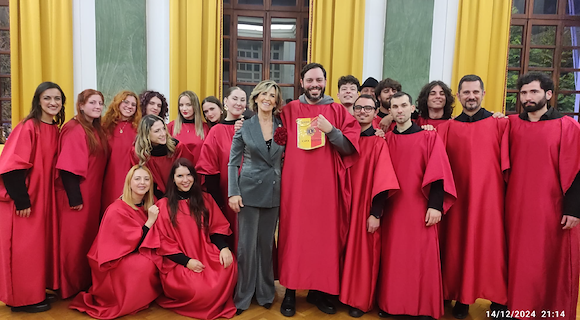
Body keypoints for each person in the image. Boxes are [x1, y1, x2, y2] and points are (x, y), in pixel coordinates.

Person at [278, 62, 360, 317]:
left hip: (326, 188)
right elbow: (271, 132)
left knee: (324, 240)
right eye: (310, 80)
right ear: (301, 82)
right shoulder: (289, 110)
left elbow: (349, 148)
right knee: (294, 237)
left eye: (319, 80)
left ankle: (320, 291)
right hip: (295, 186)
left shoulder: (337, 111)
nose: (315, 85)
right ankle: (290, 291)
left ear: (325, 82)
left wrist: (331, 131)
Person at [505, 72, 580, 320]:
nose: (528, 97)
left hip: (553, 208)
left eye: (534, 92)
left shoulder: (567, 126)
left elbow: (578, 170)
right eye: (524, 93)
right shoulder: (511, 124)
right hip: (516, 208)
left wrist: (574, 209)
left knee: (550, 263)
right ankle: (519, 310)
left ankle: (550, 312)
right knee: (520, 263)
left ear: (548, 94)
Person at [378, 92, 456, 320]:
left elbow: (439, 173)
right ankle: (391, 304)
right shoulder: (385, 140)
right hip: (394, 210)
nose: (399, 110)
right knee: (394, 258)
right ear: (390, 111)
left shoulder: (429, 137)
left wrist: (435, 206)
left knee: (422, 258)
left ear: (412, 108)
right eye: (395, 107)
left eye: (403, 105)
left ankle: (423, 307)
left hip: (421, 208)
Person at [436, 75, 508, 319]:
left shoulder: (500, 124)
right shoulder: (447, 128)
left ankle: (498, 297)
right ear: (458, 96)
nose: (471, 96)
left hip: (490, 199)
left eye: (475, 92)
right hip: (460, 199)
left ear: (483, 93)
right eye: (466, 92)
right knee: (457, 246)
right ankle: (461, 297)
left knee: (492, 248)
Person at [141, 158, 237, 319]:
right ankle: (205, 301)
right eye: (180, 176)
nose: (185, 180)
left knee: (229, 265)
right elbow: (163, 243)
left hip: (205, 252)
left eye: (188, 175)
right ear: (173, 178)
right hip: (178, 262)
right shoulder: (163, 206)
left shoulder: (205, 199)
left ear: (194, 176)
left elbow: (217, 227)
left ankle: (211, 299)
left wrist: (224, 248)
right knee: (198, 290)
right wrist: (187, 262)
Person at [0, 82, 65, 313]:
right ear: (38, 101)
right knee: (23, 248)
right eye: (47, 98)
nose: (53, 103)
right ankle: (22, 299)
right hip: (26, 200)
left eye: (57, 99)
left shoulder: (54, 130)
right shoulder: (28, 127)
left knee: (36, 248)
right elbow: (10, 167)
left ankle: (35, 291)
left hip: (44, 199)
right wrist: (21, 199)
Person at [69, 165, 162, 319]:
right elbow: (131, 243)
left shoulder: (150, 205)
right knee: (147, 263)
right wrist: (150, 222)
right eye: (137, 178)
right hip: (114, 262)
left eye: (146, 179)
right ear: (129, 183)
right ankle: (132, 299)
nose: (142, 182)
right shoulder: (117, 209)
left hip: (134, 251)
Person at [339, 94, 400, 318]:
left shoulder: (378, 142)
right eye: (358, 108)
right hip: (343, 206)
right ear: (353, 111)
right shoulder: (345, 140)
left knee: (363, 254)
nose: (362, 111)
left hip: (365, 206)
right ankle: (340, 294)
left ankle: (360, 300)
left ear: (376, 113)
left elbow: (383, 182)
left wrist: (375, 213)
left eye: (368, 108)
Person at [228, 80, 285, 315]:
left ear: (276, 101)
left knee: (265, 245)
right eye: (265, 93)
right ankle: (244, 295)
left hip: (274, 191)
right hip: (248, 192)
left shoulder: (283, 126)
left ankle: (265, 292)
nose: (268, 98)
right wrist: (233, 192)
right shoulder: (244, 126)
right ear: (257, 97)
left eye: (273, 95)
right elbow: (233, 162)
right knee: (246, 247)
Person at [55, 89, 109, 299]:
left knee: (86, 240)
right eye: (92, 102)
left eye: (100, 103)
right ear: (81, 105)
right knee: (73, 242)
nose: (97, 106)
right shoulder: (75, 129)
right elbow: (68, 167)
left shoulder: (96, 129)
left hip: (92, 195)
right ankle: (69, 286)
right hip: (77, 196)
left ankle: (82, 281)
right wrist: (75, 198)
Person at [197, 86, 247, 252]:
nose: (238, 103)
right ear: (225, 102)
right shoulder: (216, 131)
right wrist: (218, 204)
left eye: (242, 99)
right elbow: (209, 168)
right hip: (227, 197)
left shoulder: (253, 127)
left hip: (253, 193)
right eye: (235, 99)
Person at [101, 90, 142, 211]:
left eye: (133, 105)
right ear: (117, 103)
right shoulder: (105, 126)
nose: (129, 106)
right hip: (108, 178)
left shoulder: (138, 128)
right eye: (126, 102)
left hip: (130, 177)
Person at [131, 114, 185, 199]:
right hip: (150, 196)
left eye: (163, 128)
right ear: (147, 134)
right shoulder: (138, 152)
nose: (163, 134)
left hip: (177, 193)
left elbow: (186, 173)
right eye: (157, 131)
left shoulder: (177, 147)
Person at [167, 90, 209, 163]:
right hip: (178, 171)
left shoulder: (205, 127)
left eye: (188, 105)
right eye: (181, 105)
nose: (184, 109)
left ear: (195, 106)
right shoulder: (171, 126)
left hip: (198, 171)